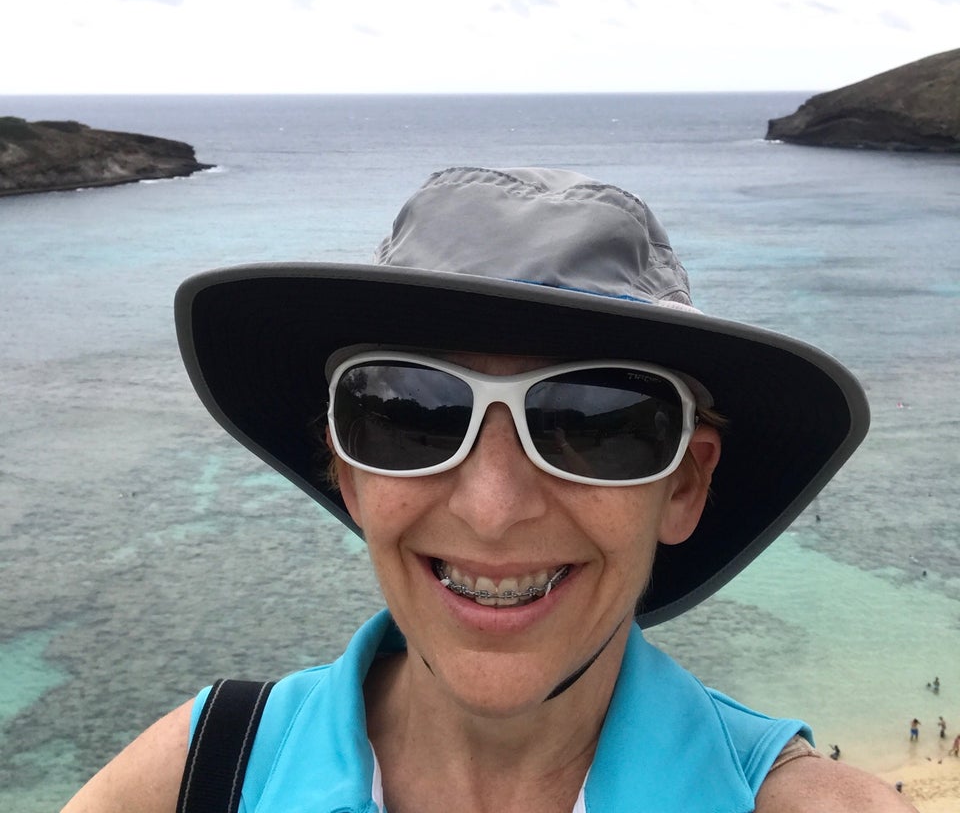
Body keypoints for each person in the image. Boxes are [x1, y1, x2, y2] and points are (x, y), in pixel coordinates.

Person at [62, 167, 916, 811]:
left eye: (596, 422)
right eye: (412, 414)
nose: (493, 508)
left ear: (685, 484)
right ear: (348, 469)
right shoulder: (196, 777)